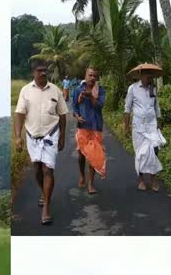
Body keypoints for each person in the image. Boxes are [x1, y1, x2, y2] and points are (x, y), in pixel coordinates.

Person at [14, 58, 68, 226]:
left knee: (47, 170)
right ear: (33, 73)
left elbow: (63, 114)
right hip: (32, 136)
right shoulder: (25, 91)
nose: (43, 73)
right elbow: (20, 114)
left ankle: (46, 207)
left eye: (45, 70)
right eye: (39, 70)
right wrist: (18, 136)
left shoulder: (56, 90)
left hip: (51, 135)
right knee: (36, 169)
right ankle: (43, 193)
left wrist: (63, 136)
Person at [124, 70, 165, 191]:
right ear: (141, 75)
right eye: (147, 75)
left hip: (152, 126)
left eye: (151, 75)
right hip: (138, 127)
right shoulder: (133, 88)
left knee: (154, 151)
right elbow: (127, 108)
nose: (149, 77)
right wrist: (126, 127)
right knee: (140, 153)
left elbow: (156, 107)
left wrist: (159, 123)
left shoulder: (153, 89)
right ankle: (141, 181)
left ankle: (153, 180)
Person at [72, 66, 107, 194]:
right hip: (83, 127)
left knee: (93, 155)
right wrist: (77, 116)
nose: (92, 78)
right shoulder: (77, 90)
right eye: (90, 75)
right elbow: (74, 107)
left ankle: (91, 184)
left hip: (96, 127)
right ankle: (82, 175)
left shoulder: (101, 91)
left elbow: (100, 106)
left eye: (95, 76)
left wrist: (91, 96)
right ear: (85, 76)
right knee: (81, 155)